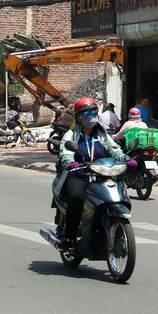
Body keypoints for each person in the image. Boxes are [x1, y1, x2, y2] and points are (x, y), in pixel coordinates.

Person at [56, 97, 130, 249]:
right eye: (85, 113)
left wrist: (125, 159)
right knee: (76, 199)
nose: (90, 116)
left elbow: (114, 149)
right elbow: (65, 151)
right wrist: (70, 162)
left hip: (101, 173)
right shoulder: (72, 134)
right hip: (79, 173)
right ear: (78, 117)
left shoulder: (102, 134)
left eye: (93, 112)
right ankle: (69, 238)